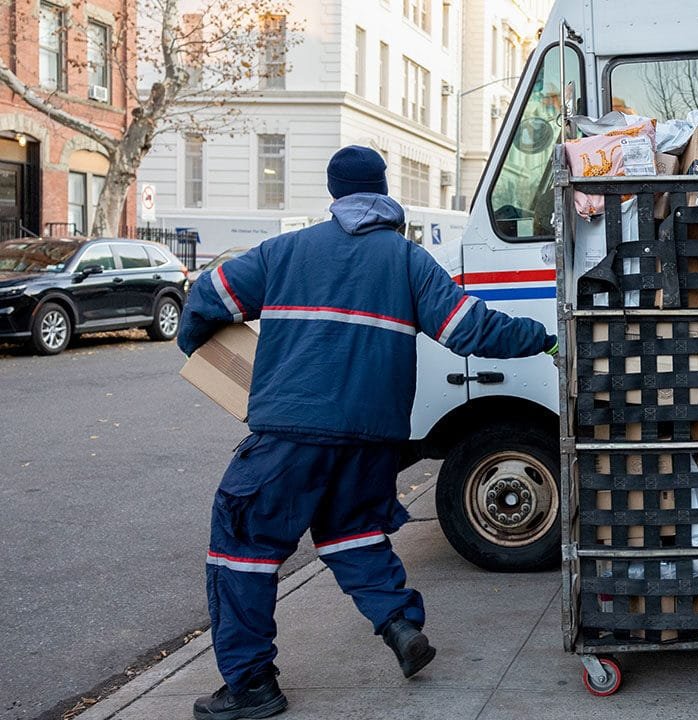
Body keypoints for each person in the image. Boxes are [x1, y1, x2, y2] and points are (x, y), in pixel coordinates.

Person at [178, 145, 557, 720]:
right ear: (381, 190)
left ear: (335, 194)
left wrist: (195, 341)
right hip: (373, 439)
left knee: (242, 551)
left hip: (291, 433)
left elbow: (208, 296)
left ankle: (251, 685)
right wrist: (544, 336)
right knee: (351, 531)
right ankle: (400, 624)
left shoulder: (286, 252)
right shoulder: (408, 261)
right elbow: (470, 328)